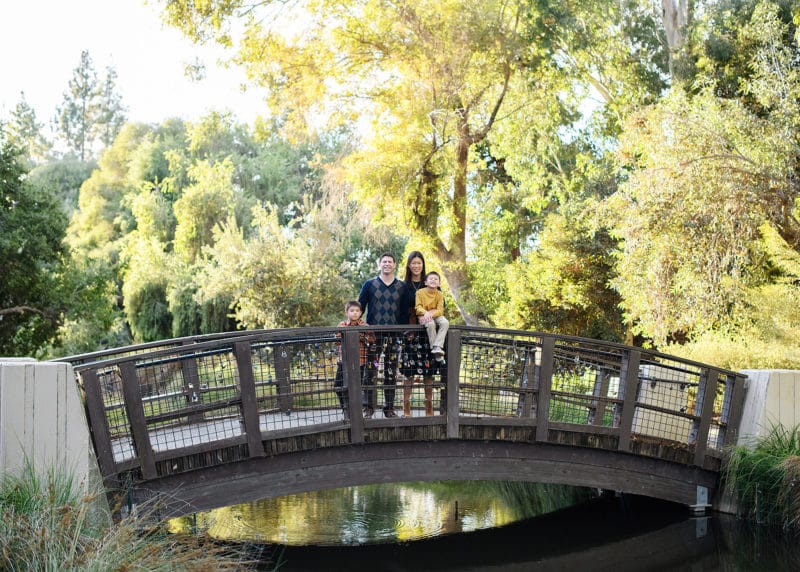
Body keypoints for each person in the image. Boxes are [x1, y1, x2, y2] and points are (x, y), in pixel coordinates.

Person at [357, 252, 409, 418]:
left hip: (393, 336)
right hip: (373, 335)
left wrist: (401, 330)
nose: (387, 264)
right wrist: (358, 325)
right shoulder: (369, 284)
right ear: (379, 264)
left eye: (390, 262)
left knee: (391, 372)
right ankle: (368, 408)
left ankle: (389, 408)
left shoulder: (402, 287)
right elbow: (360, 307)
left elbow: (404, 312)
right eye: (384, 261)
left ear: (394, 265)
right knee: (370, 372)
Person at [401, 251, 437, 417]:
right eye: (413, 263)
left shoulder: (431, 283)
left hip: (427, 332)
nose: (416, 266)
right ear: (409, 265)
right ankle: (406, 406)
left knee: (428, 371)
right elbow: (400, 310)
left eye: (419, 263)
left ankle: (429, 406)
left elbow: (440, 307)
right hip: (410, 332)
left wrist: (429, 316)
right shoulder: (403, 286)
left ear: (423, 265)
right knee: (409, 371)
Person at [333, 301, 373, 421]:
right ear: (346, 313)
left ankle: (355, 414)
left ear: (360, 313)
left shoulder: (365, 326)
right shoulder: (342, 325)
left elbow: (371, 340)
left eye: (357, 311)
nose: (354, 313)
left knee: (356, 387)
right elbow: (336, 341)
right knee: (338, 386)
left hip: (359, 362)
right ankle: (346, 409)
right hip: (343, 361)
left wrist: (362, 336)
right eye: (352, 311)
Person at [415, 271, 449, 362]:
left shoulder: (440, 294)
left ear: (439, 283)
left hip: (435, 315)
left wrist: (430, 314)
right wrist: (426, 313)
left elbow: (440, 310)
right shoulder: (419, 292)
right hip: (423, 315)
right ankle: (435, 348)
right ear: (425, 282)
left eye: (436, 279)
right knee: (430, 324)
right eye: (431, 279)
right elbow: (418, 307)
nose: (433, 280)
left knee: (445, 322)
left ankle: (437, 346)